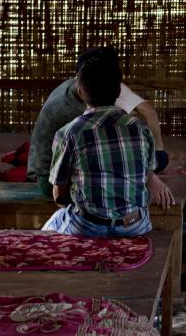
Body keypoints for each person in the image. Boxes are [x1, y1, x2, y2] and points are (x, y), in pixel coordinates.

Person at [42, 48, 173, 236]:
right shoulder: (140, 129)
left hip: (87, 226)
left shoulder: (69, 133)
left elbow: (59, 195)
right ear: (119, 91)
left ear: (80, 91)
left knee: (50, 228)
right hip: (134, 225)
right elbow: (147, 175)